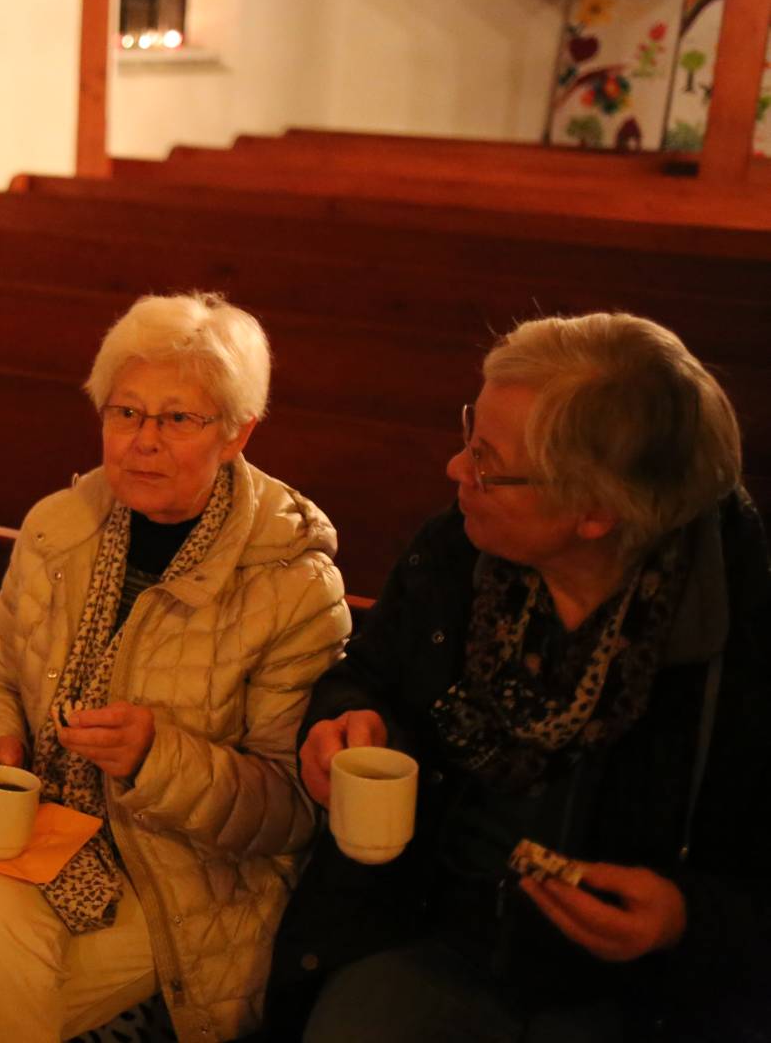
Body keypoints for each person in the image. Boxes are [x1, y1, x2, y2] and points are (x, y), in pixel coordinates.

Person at [269, 312, 769, 1042]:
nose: (455, 470)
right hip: (431, 932)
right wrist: (347, 719)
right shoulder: (457, 551)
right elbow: (369, 676)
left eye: (486, 461)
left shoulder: (742, 632)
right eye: (470, 436)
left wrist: (684, 919)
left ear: (593, 513)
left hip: (638, 996)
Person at [0, 293, 351, 1042]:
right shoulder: (60, 526)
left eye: (178, 419)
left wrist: (159, 758)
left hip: (191, 878)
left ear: (237, 433)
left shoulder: (290, 582)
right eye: (125, 413)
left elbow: (291, 806)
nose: (142, 442)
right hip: (45, 831)